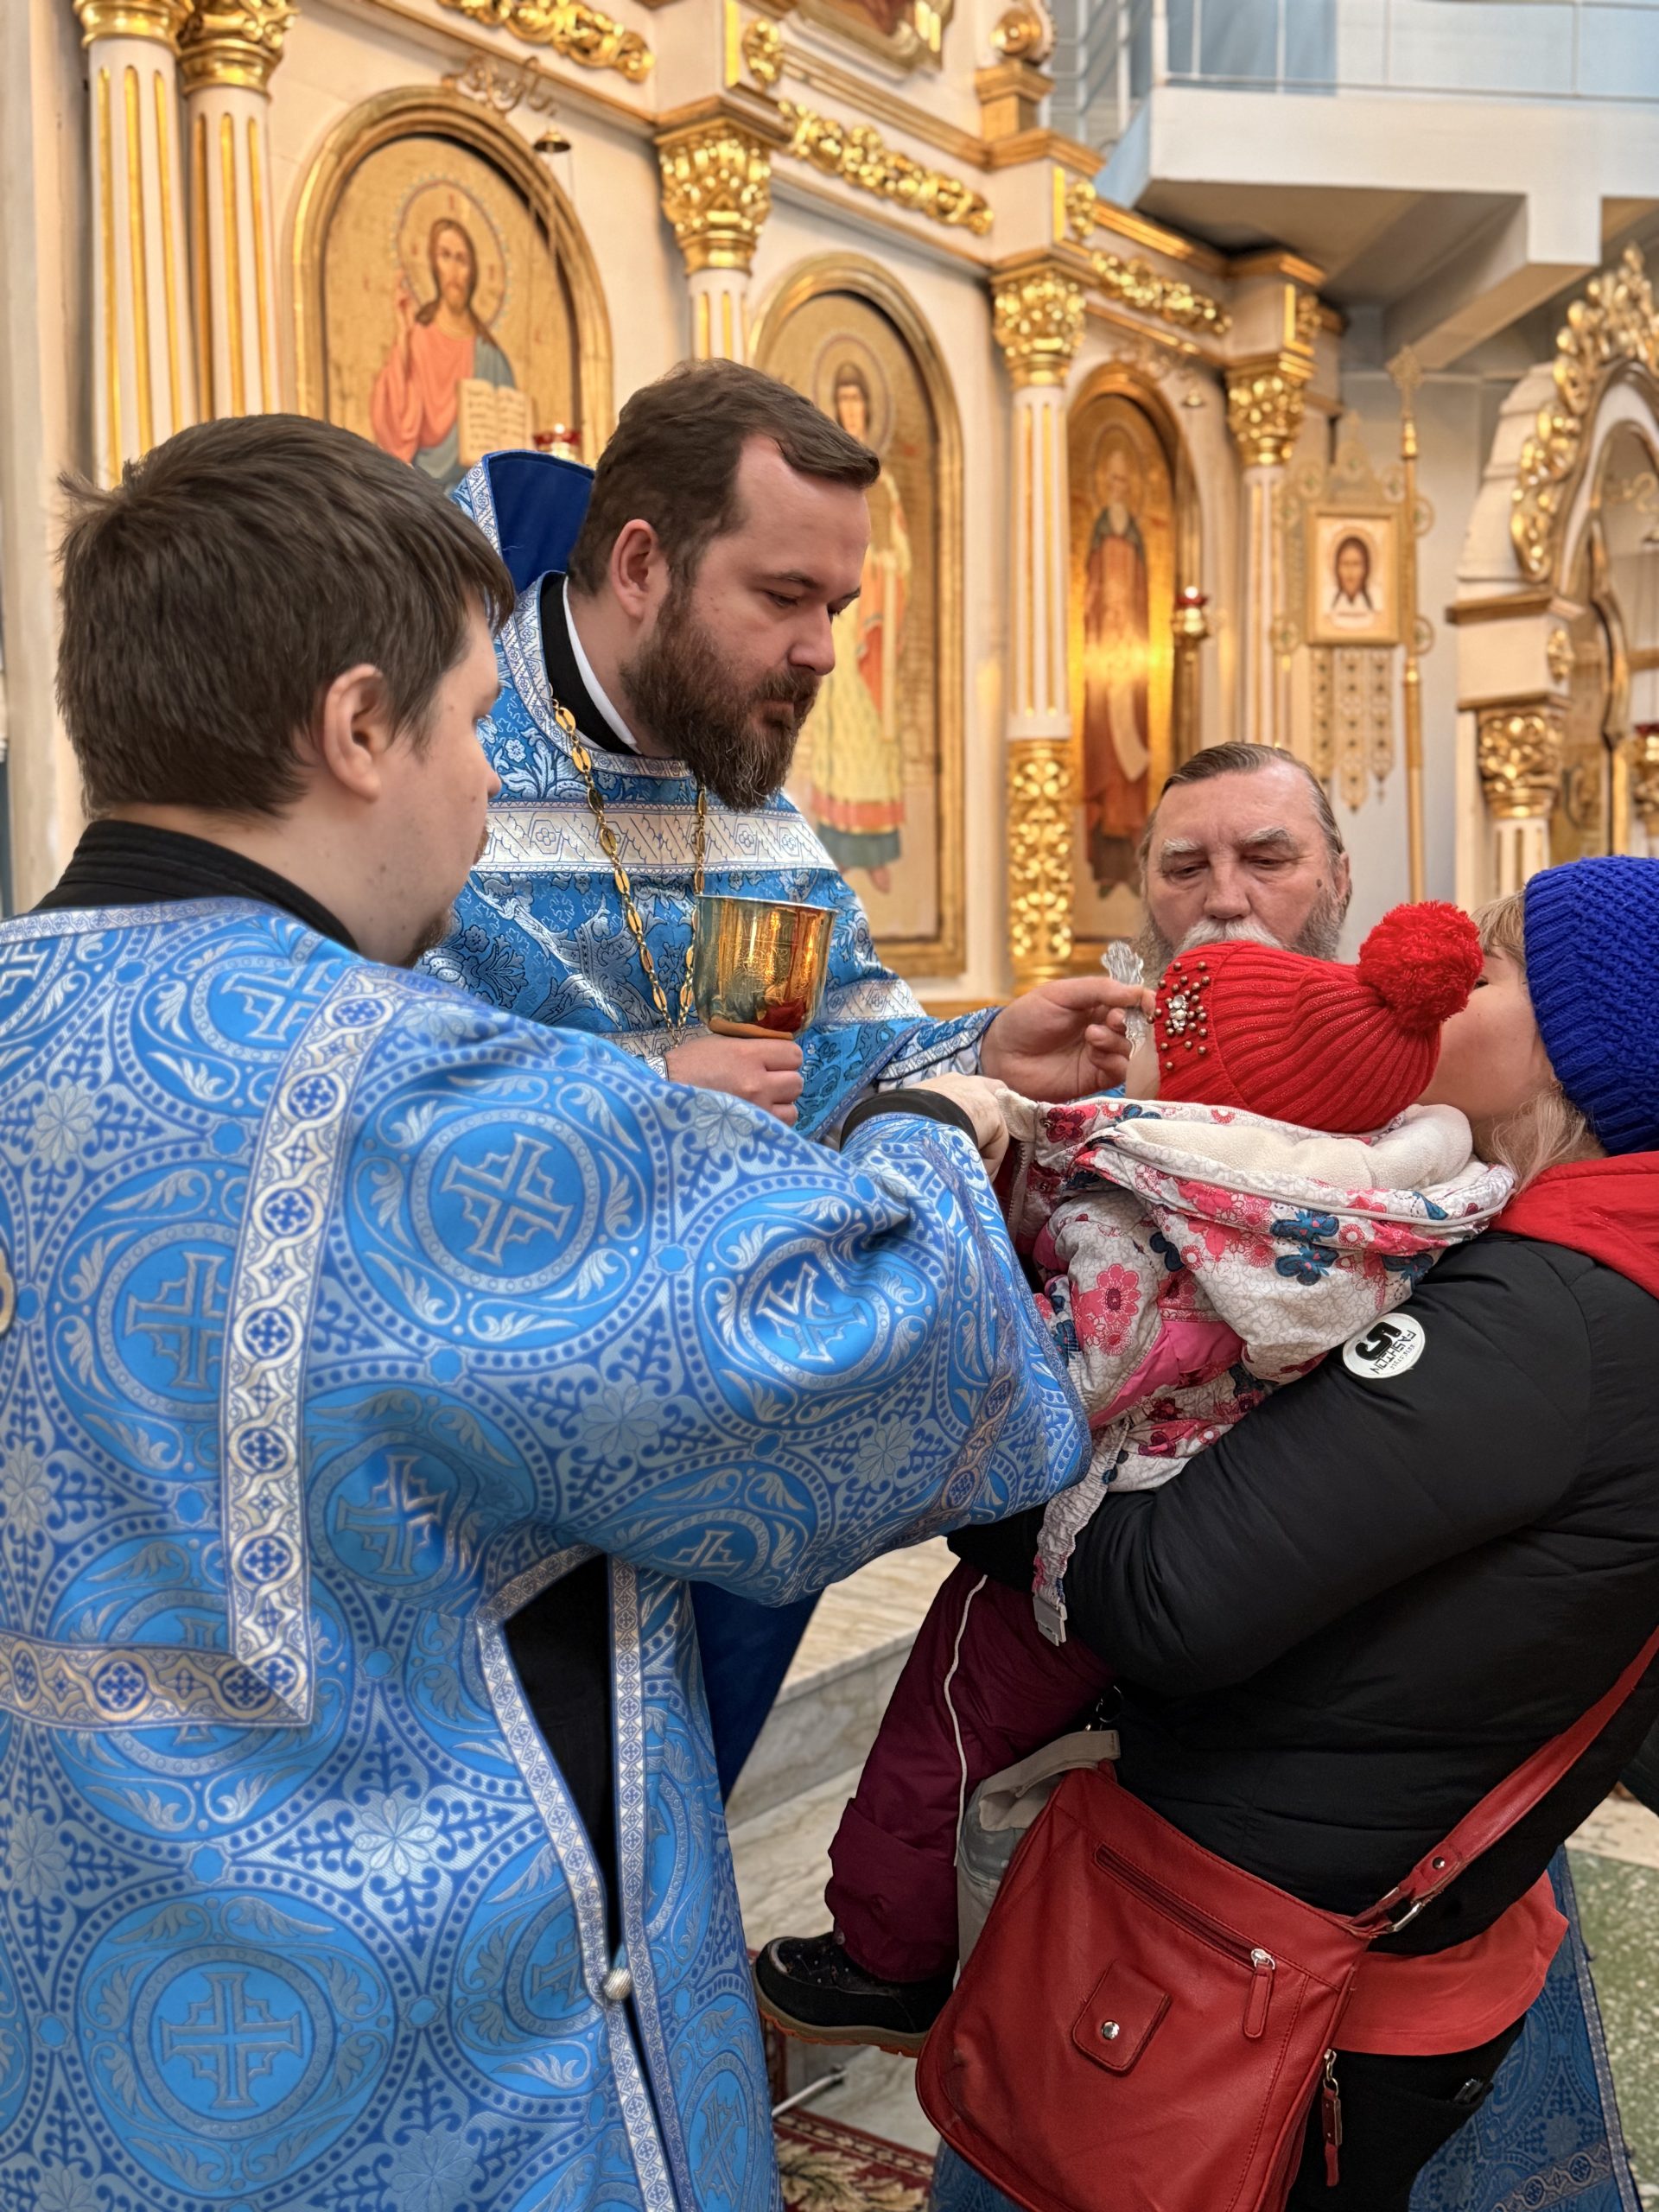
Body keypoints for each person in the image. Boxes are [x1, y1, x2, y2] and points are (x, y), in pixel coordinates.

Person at [0, 412, 1089, 2210]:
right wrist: (933, 1121)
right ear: (361, 729)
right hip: (400, 2063)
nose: (481, 776)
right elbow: (891, 1353)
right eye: (459, 724)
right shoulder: (413, 1096)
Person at [432, 359, 1145, 1794]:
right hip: (494, 1471)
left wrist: (984, 1050)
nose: (823, 652)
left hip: (718, 1419)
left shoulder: (741, 786)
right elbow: (372, 1087)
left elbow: (824, 1058)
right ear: (642, 564)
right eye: (784, 597)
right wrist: (652, 1088)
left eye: (839, 607)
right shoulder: (439, 745)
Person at [931, 855, 1659, 2212]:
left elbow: (1168, 1598)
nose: (1455, 980)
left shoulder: (1553, 1316)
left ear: (1585, 1053)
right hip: (1363, 1881)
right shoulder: (1596, 1269)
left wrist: (961, 1439)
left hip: (1247, 1951)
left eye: (1497, 965)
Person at [756, 902, 1510, 2045]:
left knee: (947, 1724)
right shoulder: (1382, 1200)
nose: (1134, 1041)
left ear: (1213, 1088)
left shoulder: (1151, 1214)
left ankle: (884, 1957)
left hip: (1095, 1535)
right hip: (1234, 1542)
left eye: (1162, 1031)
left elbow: (1058, 1374)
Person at [804, 362, 912, 893]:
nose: (851, 410)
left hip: (874, 624)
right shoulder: (820, 486)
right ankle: (839, 845)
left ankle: (877, 851)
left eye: (857, 401)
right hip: (840, 624)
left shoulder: (883, 488)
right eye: (843, 401)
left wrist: (884, 572)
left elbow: (902, 558)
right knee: (840, 729)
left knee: (871, 735)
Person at [370, 215, 516, 490]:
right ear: (433, 264)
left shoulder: (490, 355)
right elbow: (395, 432)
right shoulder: (416, 339)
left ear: (473, 270)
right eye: (445, 256)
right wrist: (403, 338)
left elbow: (512, 453)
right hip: (427, 497)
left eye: (462, 259)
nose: (454, 269)